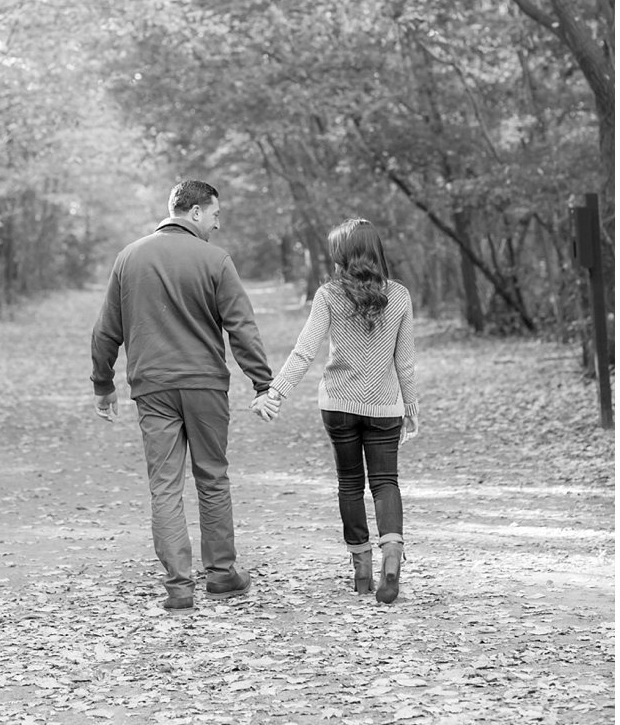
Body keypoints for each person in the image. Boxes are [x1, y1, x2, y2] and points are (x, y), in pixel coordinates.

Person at [90, 179, 274, 611]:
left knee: (165, 486)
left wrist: (103, 385)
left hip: (153, 387)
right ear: (194, 212)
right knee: (212, 477)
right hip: (205, 384)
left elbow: (105, 331)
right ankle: (222, 575)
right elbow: (242, 327)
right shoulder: (215, 260)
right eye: (214, 214)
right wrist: (261, 382)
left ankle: (178, 586)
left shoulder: (129, 258)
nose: (217, 223)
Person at [252, 218, 419, 604]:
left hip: (339, 406)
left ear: (342, 254)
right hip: (384, 405)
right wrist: (410, 407)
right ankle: (391, 559)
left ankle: (362, 568)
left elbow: (305, 350)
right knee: (385, 482)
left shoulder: (328, 295)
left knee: (349, 483)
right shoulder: (399, 296)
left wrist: (276, 393)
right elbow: (405, 362)